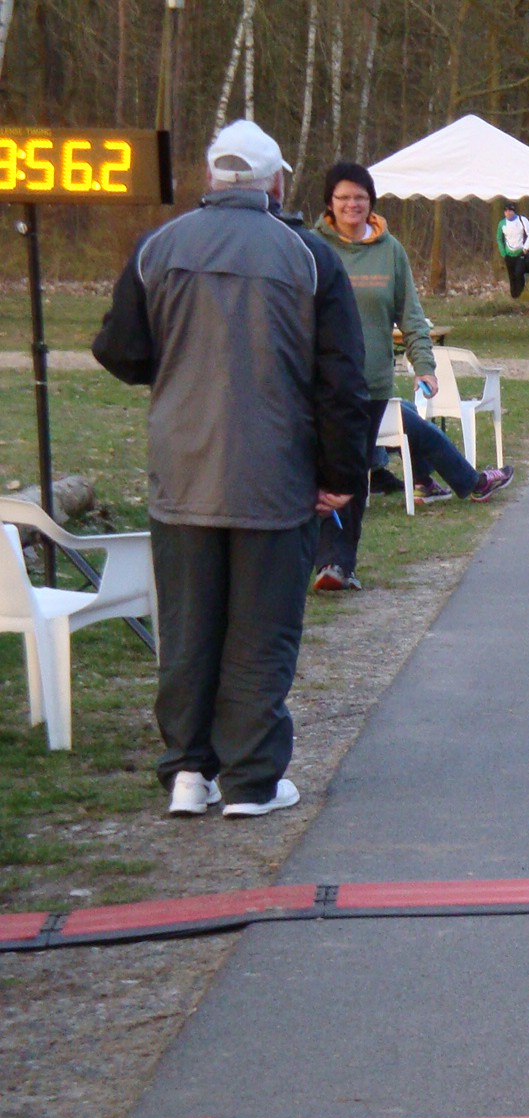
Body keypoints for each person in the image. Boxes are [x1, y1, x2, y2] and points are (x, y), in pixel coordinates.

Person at [93, 119, 371, 818]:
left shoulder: (159, 247)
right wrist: (341, 473)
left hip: (182, 474)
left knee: (188, 629)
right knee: (261, 630)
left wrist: (180, 368)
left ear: (212, 178)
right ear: (276, 183)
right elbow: (341, 380)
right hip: (274, 476)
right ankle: (252, 779)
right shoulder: (309, 257)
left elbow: (120, 350)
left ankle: (189, 770)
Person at [311, 163, 512, 591]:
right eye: (344, 197)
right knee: (315, 473)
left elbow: (412, 317)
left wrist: (425, 366)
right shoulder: (311, 248)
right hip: (316, 385)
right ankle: (317, 560)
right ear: (329, 202)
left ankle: (336, 565)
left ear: (371, 202)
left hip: (368, 386)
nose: (352, 205)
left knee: (351, 476)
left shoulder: (390, 252)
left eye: (360, 197)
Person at [496, 203, 529, 299]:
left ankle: (520, 295)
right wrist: (503, 253)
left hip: (521, 253)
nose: (508, 213)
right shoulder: (502, 224)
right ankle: (514, 297)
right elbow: (499, 239)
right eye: (506, 211)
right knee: (512, 276)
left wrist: (525, 248)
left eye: (510, 210)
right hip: (508, 254)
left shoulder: (522, 220)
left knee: (519, 273)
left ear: (514, 211)